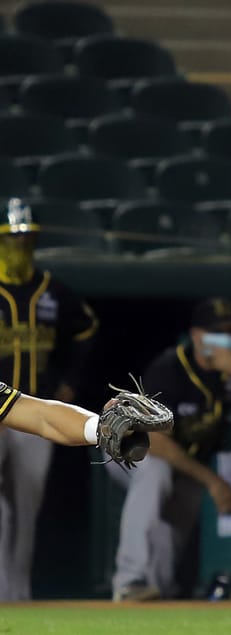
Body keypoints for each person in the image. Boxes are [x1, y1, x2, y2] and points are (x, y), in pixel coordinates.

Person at [108, 298, 231, 601]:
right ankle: (129, 580)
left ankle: (151, 596)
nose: (230, 338)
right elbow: (152, 440)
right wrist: (213, 481)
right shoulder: (170, 367)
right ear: (197, 335)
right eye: (220, 331)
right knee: (155, 475)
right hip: (130, 447)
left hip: (185, 463)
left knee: (170, 540)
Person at [0, 198, 99, 601]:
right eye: (11, 238)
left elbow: (41, 415)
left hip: (27, 403)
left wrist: (94, 421)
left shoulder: (53, 291)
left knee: (24, 510)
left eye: (26, 238)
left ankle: (14, 595)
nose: (19, 246)